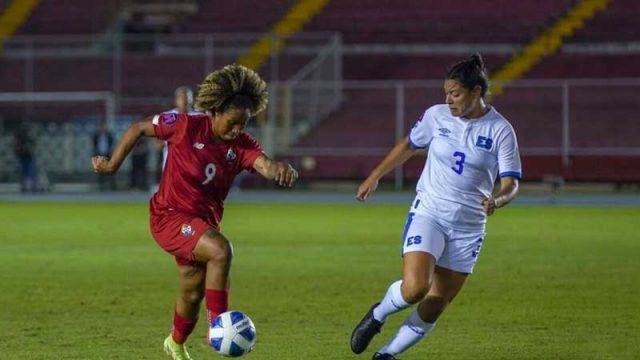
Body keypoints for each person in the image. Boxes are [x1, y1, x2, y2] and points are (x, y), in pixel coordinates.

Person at [91, 64, 298, 360]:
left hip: (201, 224)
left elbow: (264, 163)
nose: (238, 130)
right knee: (221, 250)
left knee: (192, 293)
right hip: (169, 216)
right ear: (214, 111)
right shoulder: (185, 125)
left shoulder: (241, 144)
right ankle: (218, 326)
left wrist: (279, 168)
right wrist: (112, 164)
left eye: (244, 124)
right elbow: (139, 128)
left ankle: (174, 344)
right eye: (233, 122)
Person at [350, 54, 521, 360]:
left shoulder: (500, 130)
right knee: (415, 288)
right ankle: (378, 314)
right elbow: (408, 145)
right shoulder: (436, 116)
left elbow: (511, 183)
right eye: (446, 93)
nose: (448, 100)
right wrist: (375, 176)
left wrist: (498, 199)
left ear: (476, 92)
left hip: (469, 225)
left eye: (455, 94)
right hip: (430, 212)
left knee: (435, 302)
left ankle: (386, 355)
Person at [14, 123, 38, 192]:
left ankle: (33, 186)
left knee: (32, 173)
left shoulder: (30, 139)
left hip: (30, 158)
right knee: (23, 173)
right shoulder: (20, 140)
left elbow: (34, 145)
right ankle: (24, 187)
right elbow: (17, 149)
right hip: (23, 158)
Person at [92, 122, 115, 191]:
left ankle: (111, 185)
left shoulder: (109, 135)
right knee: (100, 170)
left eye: (104, 127)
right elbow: (94, 144)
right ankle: (101, 185)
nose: (103, 128)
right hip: (99, 155)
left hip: (107, 154)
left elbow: (111, 144)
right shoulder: (96, 135)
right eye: (102, 127)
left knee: (110, 170)